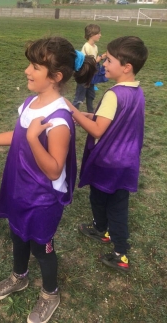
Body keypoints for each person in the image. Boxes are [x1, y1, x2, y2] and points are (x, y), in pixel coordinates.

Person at [0, 37, 96, 323]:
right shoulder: (31, 102)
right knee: (17, 235)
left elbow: (53, 170)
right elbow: (19, 136)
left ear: (56, 77)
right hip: (19, 187)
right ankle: (19, 277)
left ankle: (50, 293)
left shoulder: (58, 119)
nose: (27, 70)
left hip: (43, 198)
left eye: (36, 66)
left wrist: (36, 138)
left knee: (41, 246)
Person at [67, 36, 148, 273]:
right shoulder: (137, 92)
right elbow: (110, 121)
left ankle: (120, 254)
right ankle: (100, 229)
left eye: (109, 60)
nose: (104, 63)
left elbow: (98, 129)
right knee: (102, 199)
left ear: (126, 67)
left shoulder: (114, 94)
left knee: (114, 207)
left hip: (109, 161)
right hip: (126, 160)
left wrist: (73, 110)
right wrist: (85, 115)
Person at [72, 24, 107, 113]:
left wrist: (100, 58)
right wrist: (100, 58)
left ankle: (91, 114)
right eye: (98, 33)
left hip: (91, 76)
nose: (100, 35)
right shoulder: (87, 46)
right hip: (84, 75)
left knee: (90, 95)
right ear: (91, 35)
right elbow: (89, 62)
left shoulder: (95, 47)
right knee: (79, 97)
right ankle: (73, 115)